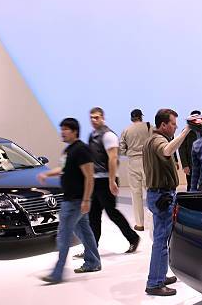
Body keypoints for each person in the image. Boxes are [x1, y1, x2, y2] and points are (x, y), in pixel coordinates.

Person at [38, 118, 101, 284]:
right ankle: (93, 262)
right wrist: (47, 174)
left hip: (75, 201)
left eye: (66, 129)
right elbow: (64, 169)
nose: (62, 132)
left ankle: (57, 273)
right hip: (72, 200)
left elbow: (89, 176)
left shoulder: (81, 150)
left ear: (74, 131)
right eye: (62, 129)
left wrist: (86, 199)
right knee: (85, 232)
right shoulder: (69, 150)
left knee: (63, 235)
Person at [143, 109, 191, 296]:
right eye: (173, 123)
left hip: (159, 195)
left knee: (161, 239)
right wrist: (186, 132)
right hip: (162, 195)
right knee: (161, 241)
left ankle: (160, 276)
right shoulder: (158, 140)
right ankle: (154, 283)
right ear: (163, 125)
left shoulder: (151, 139)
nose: (175, 126)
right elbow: (167, 150)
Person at [81, 107, 139, 257]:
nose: (94, 120)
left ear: (103, 117)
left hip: (106, 179)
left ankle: (133, 238)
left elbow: (113, 159)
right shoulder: (92, 135)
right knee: (93, 215)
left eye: (97, 117)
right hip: (96, 180)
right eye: (92, 118)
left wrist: (112, 180)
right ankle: (91, 248)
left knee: (112, 213)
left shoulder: (108, 135)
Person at [119, 108, 152, 231]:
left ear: (132, 118)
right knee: (151, 191)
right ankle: (153, 221)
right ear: (141, 117)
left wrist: (130, 151)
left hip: (133, 162)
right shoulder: (149, 126)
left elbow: (121, 149)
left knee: (136, 193)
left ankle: (140, 224)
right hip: (147, 161)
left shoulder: (126, 130)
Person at [178, 110, 201, 192]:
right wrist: (185, 165)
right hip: (191, 165)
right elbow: (181, 148)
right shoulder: (186, 131)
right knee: (191, 186)